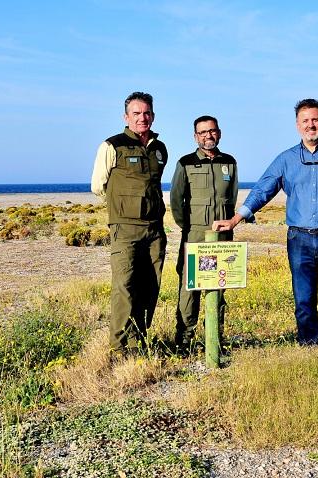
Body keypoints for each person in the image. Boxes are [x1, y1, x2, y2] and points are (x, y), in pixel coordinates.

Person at [213, 99, 318, 354]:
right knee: (304, 303)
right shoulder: (286, 159)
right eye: (305, 121)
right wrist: (236, 219)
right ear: (297, 126)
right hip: (299, 241)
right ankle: (310, 353)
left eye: (315, 119)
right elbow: (264, 189)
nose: (311, 125)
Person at [90, 92, 168, 357]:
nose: (142, 118)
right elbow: (98, 186)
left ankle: (139, 340)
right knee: (124, 285)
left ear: (153, 116)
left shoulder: (160, 149)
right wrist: (123, 207)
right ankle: (119, 347)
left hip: (155, 228)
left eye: (146, 113)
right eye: (136, 113)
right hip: (125, 228)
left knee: (151, 284)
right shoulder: (112, 146)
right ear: (126, 117)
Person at [170, 115, 239, 355]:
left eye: (212, 131)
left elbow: (232, 197)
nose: (208, 136)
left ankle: (215, 339)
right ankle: (184, 340)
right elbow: (177, 201)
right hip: (195, 236)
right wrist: (189, 227)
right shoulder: (185, 162)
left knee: (220, 283)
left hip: (222, 237)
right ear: (195, 136)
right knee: (190, 288)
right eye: (203, 132)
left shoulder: (229, 162)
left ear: (218, 133)